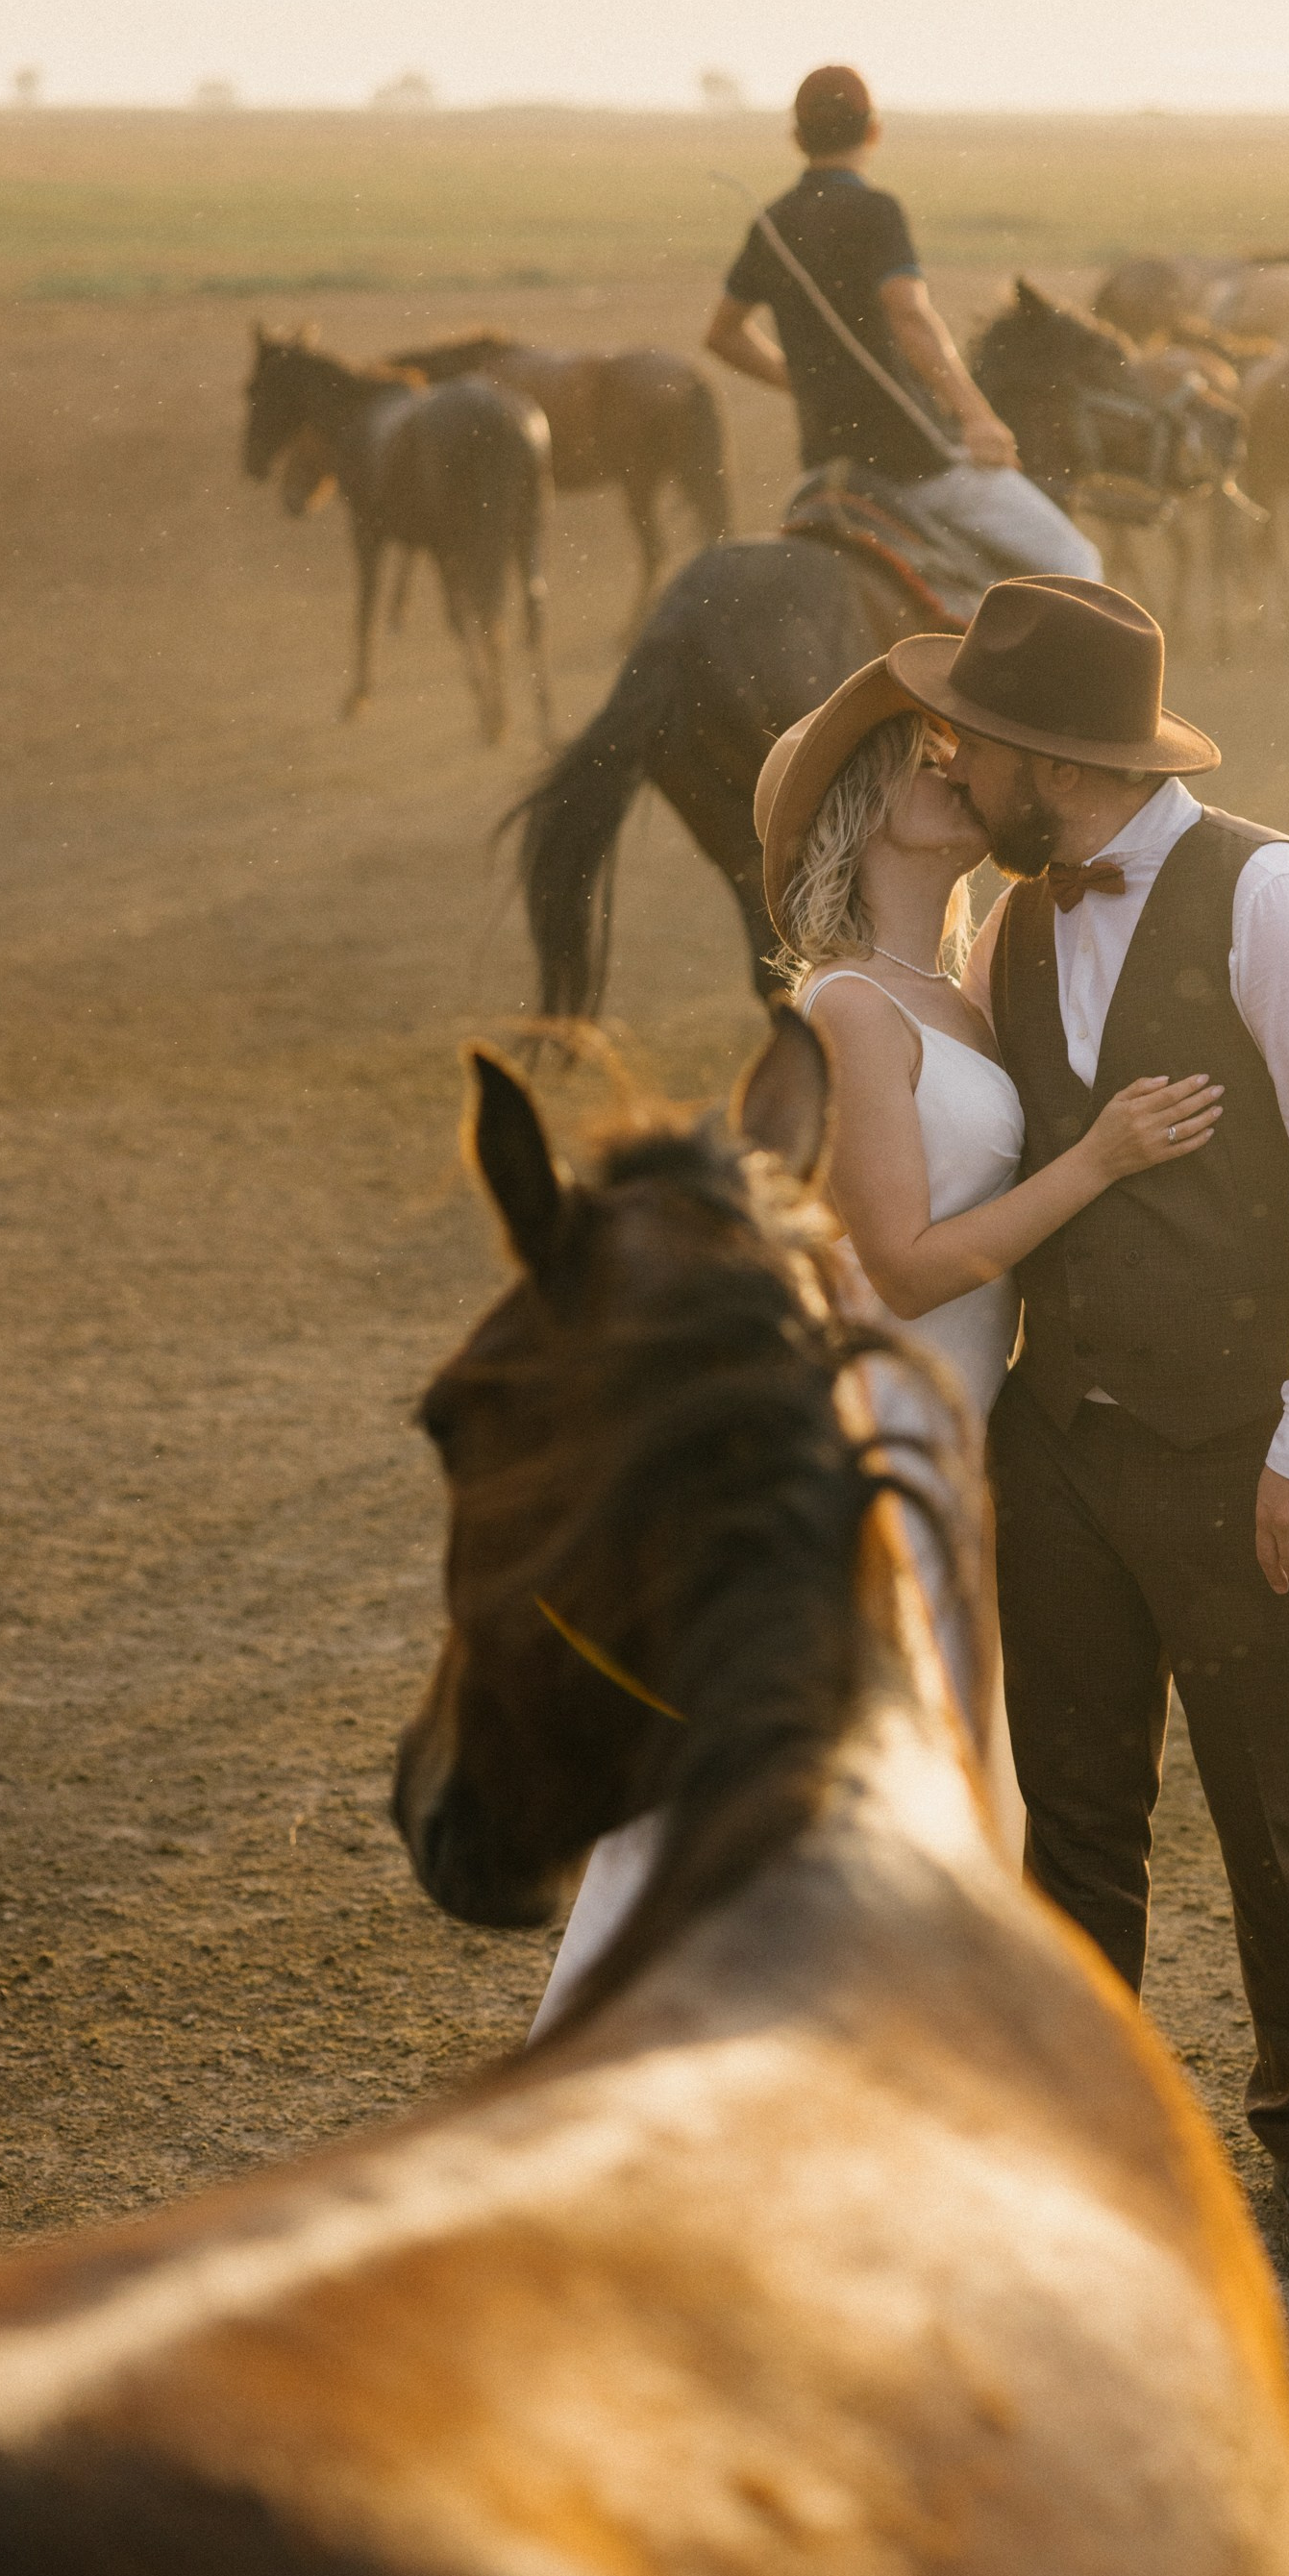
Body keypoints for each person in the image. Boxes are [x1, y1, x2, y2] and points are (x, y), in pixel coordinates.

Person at [529, 655, 1217, 2033]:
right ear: (864, 808)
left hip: (953, 1442)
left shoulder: (963, 986)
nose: (956, 767)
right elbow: (899, 1266)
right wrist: (1099, 1160)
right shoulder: (848, 1008)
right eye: (924, 760)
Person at [888, 577, 1289, 2283]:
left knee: (1276, 1812)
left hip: (1244, 1447)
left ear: (1056, 756)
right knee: (1077, 1809)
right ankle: (1073, 2134)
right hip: (1062, 1446)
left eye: (976, 740)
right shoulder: (1016, 919)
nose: (955, 763)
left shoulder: (1282, 903)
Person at [704, 62, 1103, 582]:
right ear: (873, 131)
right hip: (911, 460)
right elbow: (909, 314)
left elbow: (723, 335)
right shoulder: (877, 211)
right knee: (1078, 566)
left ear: (797, 137)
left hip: (826, 466)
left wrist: (807, 383)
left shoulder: (771, 224)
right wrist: (978, 418)